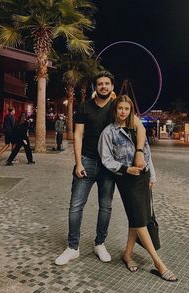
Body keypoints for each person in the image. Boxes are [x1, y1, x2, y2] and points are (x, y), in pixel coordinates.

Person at [55, 71, 146, 266]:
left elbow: (141, 127)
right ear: (95, 87)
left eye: (107, 83)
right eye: (100, 84)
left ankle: (100, 244)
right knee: (75, 205)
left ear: (112, 87)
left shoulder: (117, 107)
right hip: (87, 161)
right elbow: (78, 135)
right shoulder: (85, 107)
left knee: (105, 206)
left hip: (109, 166)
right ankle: (73, 247)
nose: (103, 86)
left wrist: (139, 152)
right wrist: (78, 162)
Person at [98, 95, 178, 282]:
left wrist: (152, 175)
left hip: (143, 178)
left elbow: (146, 153)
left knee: (138, 218)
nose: (123, 112)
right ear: (115, 110)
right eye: (120, 108)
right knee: (140, 220)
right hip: (126, 179)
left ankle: (127, 254)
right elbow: (106, 159)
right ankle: (159, 263)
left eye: (126, 109)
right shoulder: (108, 133)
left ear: (130, 110)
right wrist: (126, 169)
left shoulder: (137, 129)